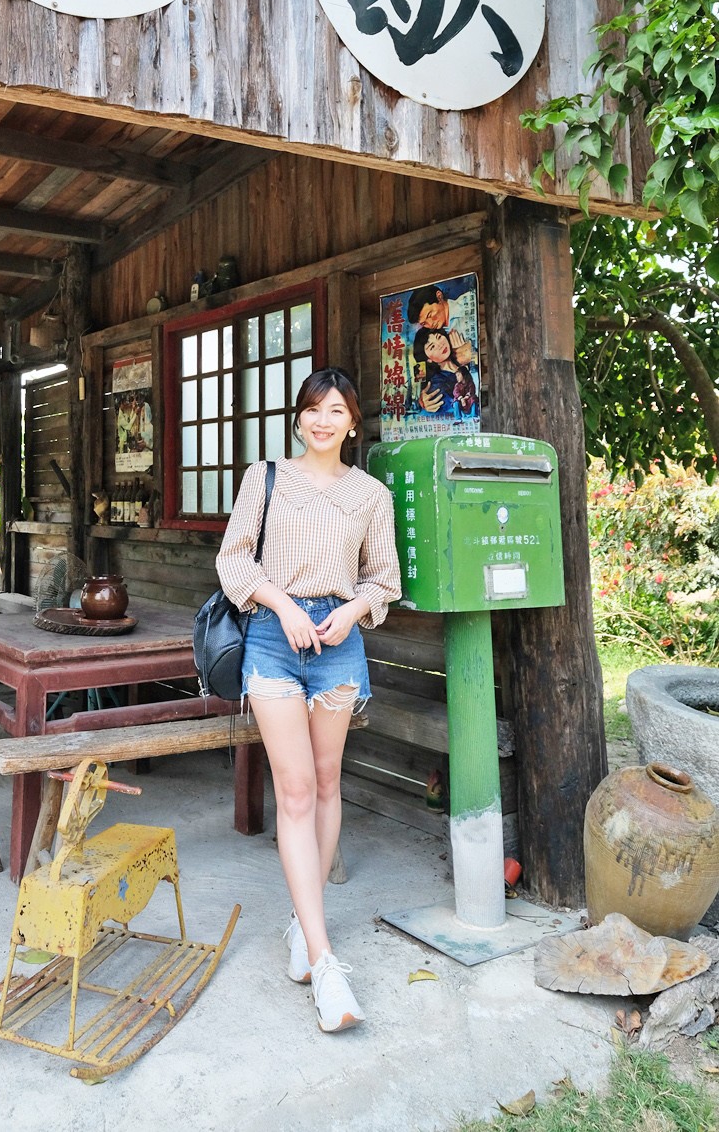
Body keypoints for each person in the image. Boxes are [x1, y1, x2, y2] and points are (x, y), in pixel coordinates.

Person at [215, 367, 400, 1033]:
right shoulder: (265, 478)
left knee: (326, 783)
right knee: (293, 791)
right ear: (299, 417)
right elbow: (235, 561)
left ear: (353, 422)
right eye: (313, 409)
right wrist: (283, 606)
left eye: (336, 410)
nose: (323, 420)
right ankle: (324, 962)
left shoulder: (371, 496)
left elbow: (384, 580)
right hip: (273, 637)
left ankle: (303, 923)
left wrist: (353, 611)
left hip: (340, 644)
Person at [411, 327, 478, 418]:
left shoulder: (461, 348)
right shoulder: (437, 383)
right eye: (432, 347)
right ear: (428, 359)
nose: (440, 345)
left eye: (439, 337)